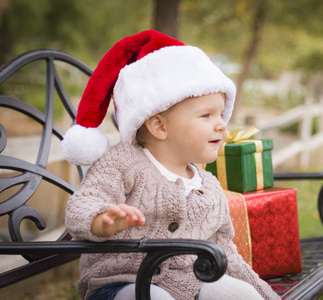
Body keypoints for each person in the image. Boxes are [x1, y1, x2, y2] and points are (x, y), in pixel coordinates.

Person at [62, 30, 280, 300]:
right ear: (159, 126)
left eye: (221, 114)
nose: (222, 124)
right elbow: (81, 204)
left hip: (190, 283)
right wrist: (101, 220)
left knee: (241, 294)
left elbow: (227, 254)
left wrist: (265, 295)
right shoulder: (123, 162)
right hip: (120, 284)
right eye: (206, 115)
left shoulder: (208, 185)